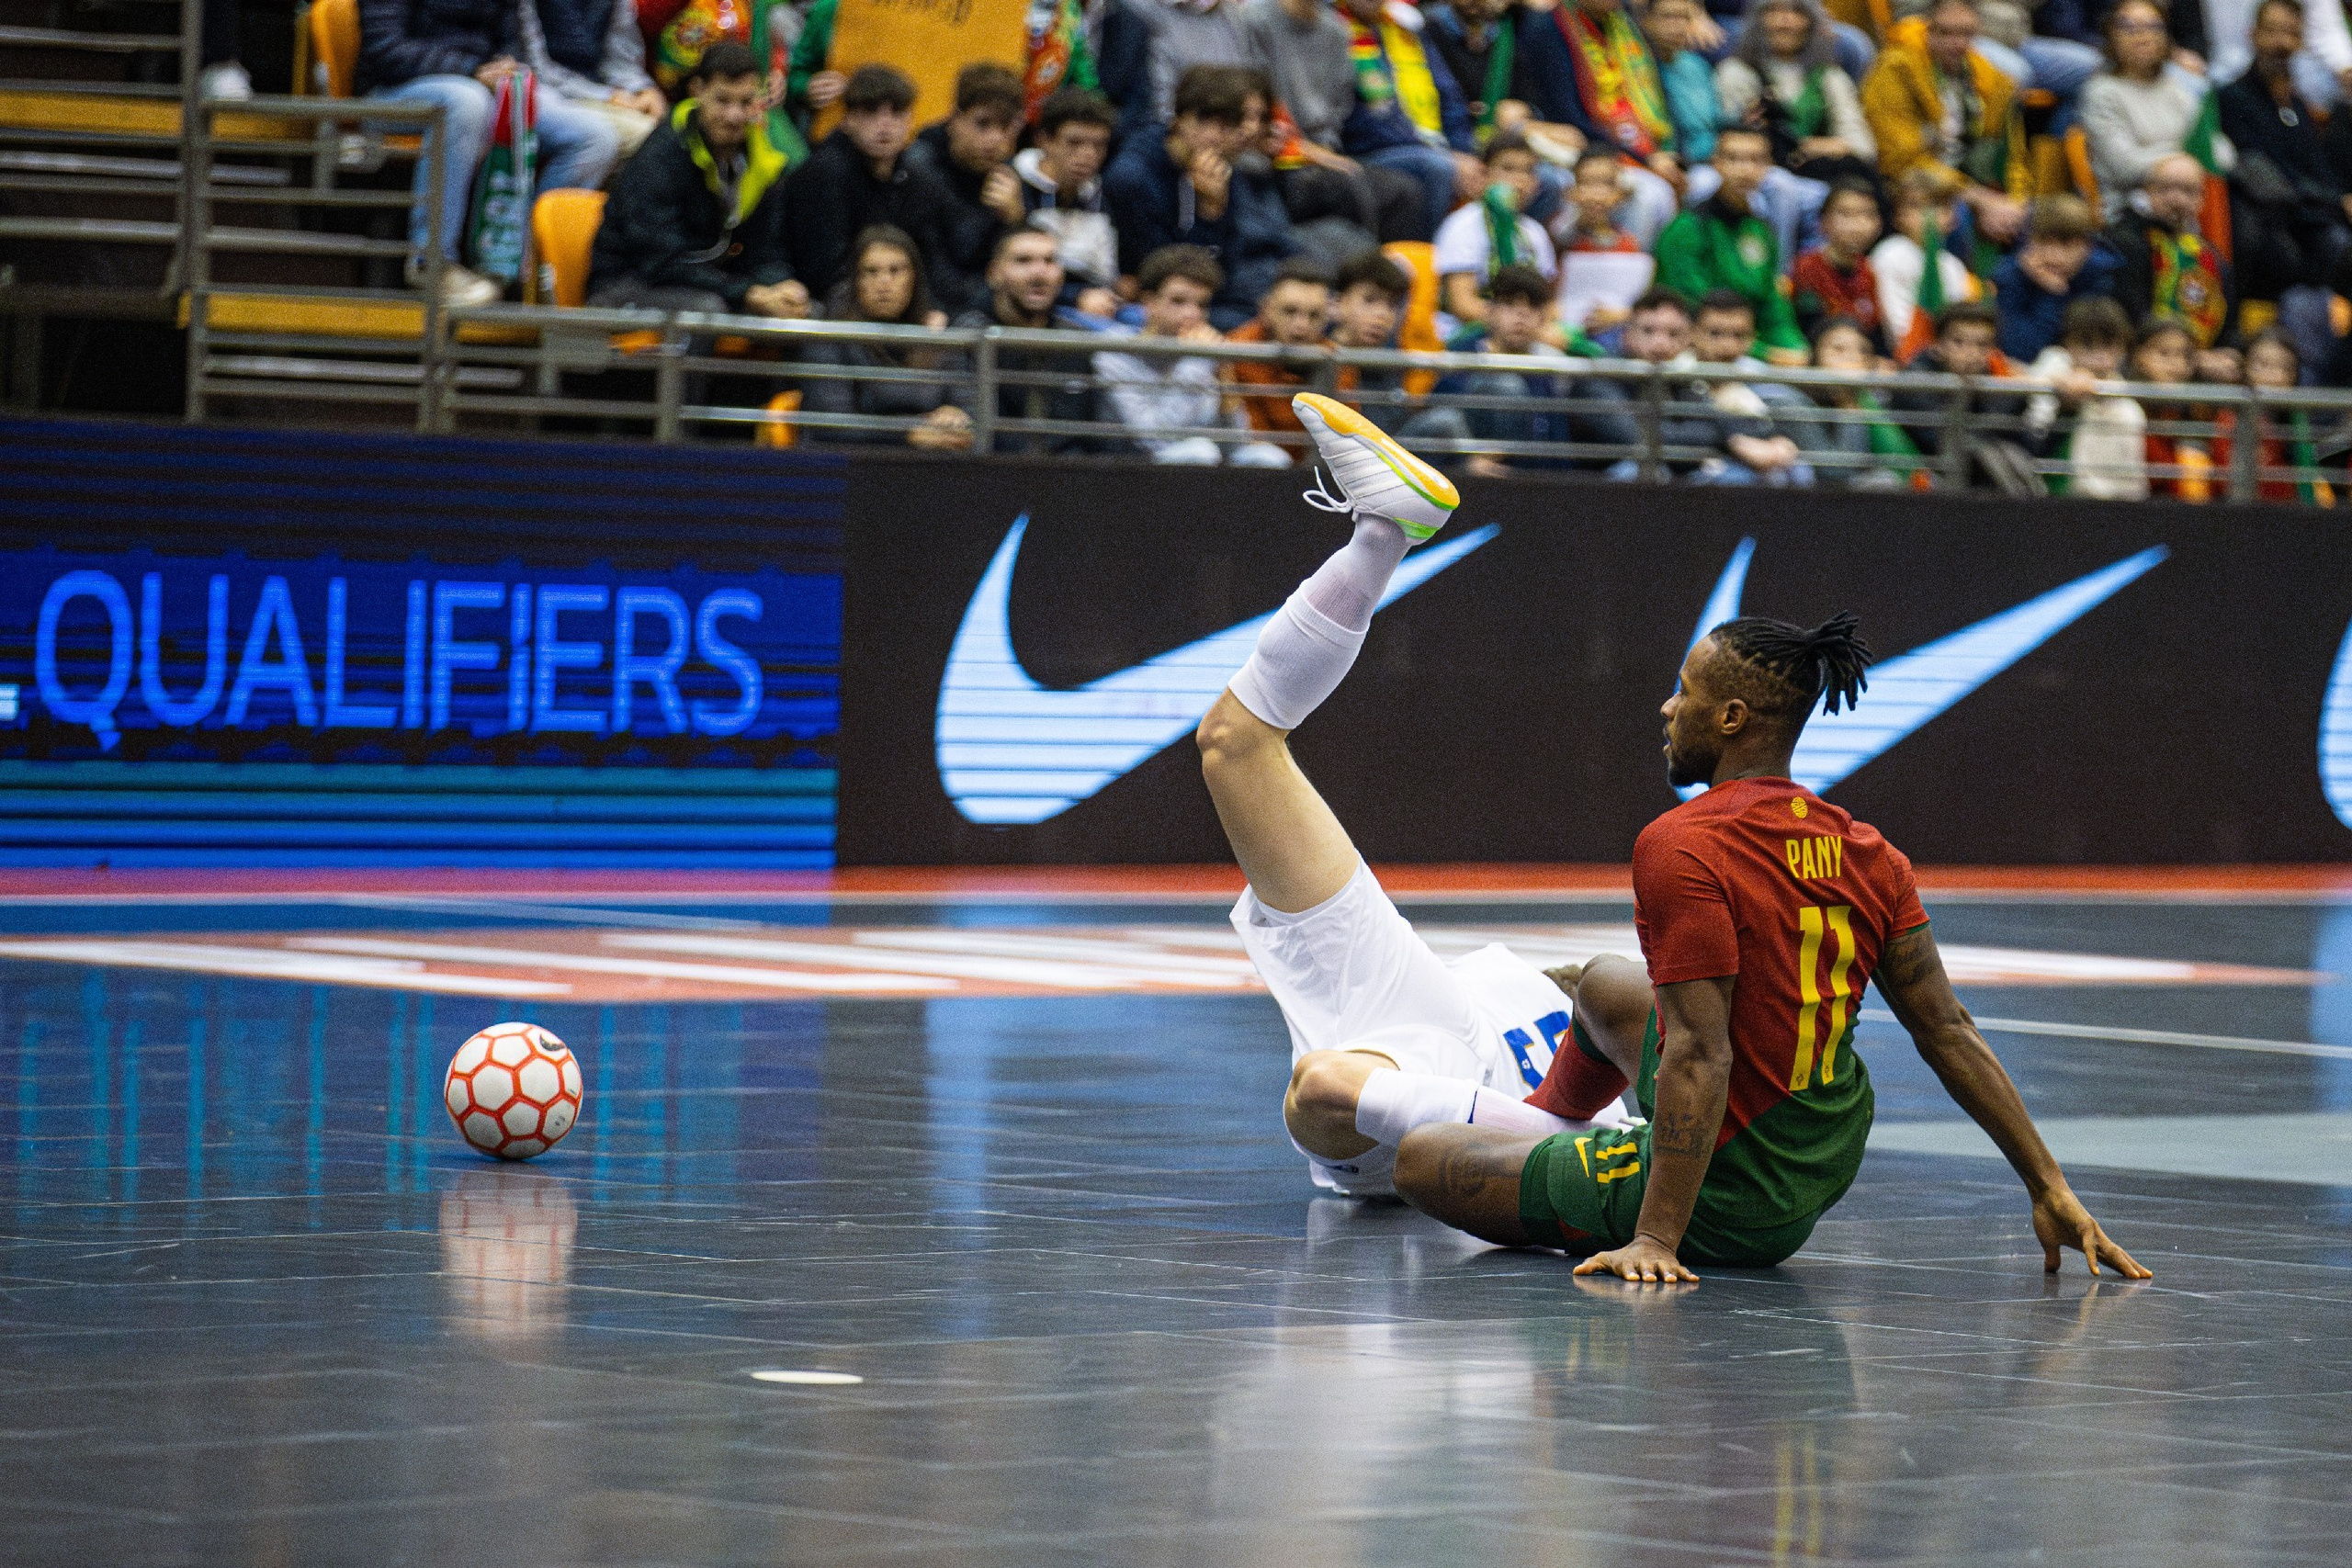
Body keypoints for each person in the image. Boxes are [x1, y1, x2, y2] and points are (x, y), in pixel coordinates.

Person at [1387, 611, 2152, 1286]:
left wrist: (1655, 1236)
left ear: (1729, 717)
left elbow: (1700, 1054)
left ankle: (1612, 1175)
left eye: (1682, 691)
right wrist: (2047, 1184)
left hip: (1735, 1187)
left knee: (1420, 1160)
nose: (1667, 707)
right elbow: (1947, 1027)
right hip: (1819, 1145)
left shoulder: (1681, 845)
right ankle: (1542, 1124)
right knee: (1602, 983)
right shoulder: (1869, 852)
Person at [1195, 394, 1634, 1202]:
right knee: (1237, 744)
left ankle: (1384, 533)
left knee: (1239, 745)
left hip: (1459, 1061)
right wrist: (1595, 1144)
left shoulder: (1614, 1070)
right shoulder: (1608, 1089)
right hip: (1452, 1061)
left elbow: (1331, 1087)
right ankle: (1384, 533)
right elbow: (1328, 1088)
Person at [357, 0, 624, 305]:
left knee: (594, 137)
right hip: (394, 92)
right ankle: (432, 263)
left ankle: (524, 270)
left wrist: (507, 67)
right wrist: (472, 71)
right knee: (467, 103)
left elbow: (512, 41)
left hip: (481, 85)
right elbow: (385, 49)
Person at [587, 41, 808, 316]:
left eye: (746, 102)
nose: (734, 116)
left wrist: (780, 286)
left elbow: (766, 251)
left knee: (805, 316)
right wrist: (746, 293)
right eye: (723, 100)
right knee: (707, 313)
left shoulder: (763, 162)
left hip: (711, 285)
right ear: (697, 92)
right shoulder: (661, 155)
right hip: (625, 285)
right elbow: (661, 262)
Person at [1105, 64, 1300, 330]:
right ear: (1182, 119)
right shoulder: (1133, 177)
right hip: (1159, 304)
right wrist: (1209, 214)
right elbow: (1164, 274)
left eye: (1232, 126)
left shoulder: (1217, 168)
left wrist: (1216, 210)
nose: (1227, 138)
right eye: (1216, 125)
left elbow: (1228, 262)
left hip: (1212, 294)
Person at [2219, 0, 2352, 370]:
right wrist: (2336, 202)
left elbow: (2318, 170)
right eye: (2273, 30)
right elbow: (2264, 177)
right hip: (2267, 225)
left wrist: (2340, 198)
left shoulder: (2296, 104)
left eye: (2292, 33)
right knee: (2338, 248)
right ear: (2254, 35)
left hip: (2311, 219)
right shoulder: (2233, 97)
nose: (2282, 42)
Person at [1242, 0, 1431, 246]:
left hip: (1324, 149)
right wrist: (1304, 149)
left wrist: (1327, 149)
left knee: (1404, 191)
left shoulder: (1336, 29)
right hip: (1274, 152)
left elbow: (1339, 107)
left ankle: (1391, 279)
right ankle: (1355, 279)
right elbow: (1254, 95)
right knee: (1344, 188)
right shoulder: (1256, 20)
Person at [782, 64, 960, 307]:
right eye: (871, 111)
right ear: (848, 120)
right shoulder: (823, 173)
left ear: (910, 120)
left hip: (898, 303)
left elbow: (932, 262)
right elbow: (822, 272)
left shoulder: (919, 180)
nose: (885, 124)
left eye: (896, 112)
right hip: (828, 304)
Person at [1096, 245, 1293, 465]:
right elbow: (1153, 440)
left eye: (1202, 304)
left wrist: (1226, 378)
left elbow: (1235, 443)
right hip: (1130, 468)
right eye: (1178, 301)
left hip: (1203, 461)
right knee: (1200, 452)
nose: (1192, 314)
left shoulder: (1205, 352)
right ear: (1149, 302)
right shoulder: (1115, 353)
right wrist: (1196, 358)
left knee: (1270, 457)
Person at [1859, 0, 2029, 247]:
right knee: (1953, 218)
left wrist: (2015, 201)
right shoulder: (1897, 69)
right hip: (1917, 186)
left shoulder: (1993, 82)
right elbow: (1901, 160)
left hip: (1978, 186)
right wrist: (1978, 199)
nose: (1956, 43)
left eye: (1965, 33)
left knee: (2033, 219)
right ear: (1927, 30)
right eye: (1945, 33)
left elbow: (2014, 156)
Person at [1515, 0, 1685, 244]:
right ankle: (1629, 270)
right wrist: (1646, 160)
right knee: (1648, 194)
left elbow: (1663, 105)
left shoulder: (1628, 28)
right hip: (1584, 149)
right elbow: (1569, 117)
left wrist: (1669, 155)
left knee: (1699, 182)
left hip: (1641, 147)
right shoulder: (1549, 29)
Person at [796, 226, 971, 450]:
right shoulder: (829, 335)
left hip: (926, 465)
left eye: (896, 270)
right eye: (871, 272)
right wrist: (909, 433)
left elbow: (969, 407)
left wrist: (955, 415)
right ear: (855, 280)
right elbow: (834, 426)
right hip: (851, 464)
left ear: (914, 278)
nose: (884, 283)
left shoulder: (936, 334)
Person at [1330, 0, 1487, 242]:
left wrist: (1463, 151)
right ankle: (1424, 262)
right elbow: (1366, 123)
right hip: (1373, 152)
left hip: (1432, 146)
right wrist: (1444, 155)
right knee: (1437, 168)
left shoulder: (1405, 24)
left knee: (1533, 180)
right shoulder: (1333, 27)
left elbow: (1449, 95)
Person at [1654, 126, 1810, 364]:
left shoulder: (1761, 230)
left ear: (1768, 166)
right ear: (1716, 164)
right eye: (1733, 158)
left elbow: (1772, 306)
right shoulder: (1686, 228)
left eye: (1755, 160)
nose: (1745, 169)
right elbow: (1689, 307)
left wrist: (1795, 348)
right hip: (1699, 353)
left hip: (1752, 351)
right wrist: (1764, 353)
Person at [952, 226, 1101, 456]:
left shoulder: (1075, 340)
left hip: (1071, 476)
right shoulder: (969, 338)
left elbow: (1106, 428)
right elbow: (973, 428)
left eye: (1050, 261)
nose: (1039, 273)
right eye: (1023, 261)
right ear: (994, 274)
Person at [2080, 0, 2233, 221]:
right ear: (2111, 35)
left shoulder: (2176, 88)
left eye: (2154, 27)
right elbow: (2125, 167)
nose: (2143, 36)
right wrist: (2184, 158)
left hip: (2187, 207)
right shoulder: (2101, 92)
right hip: (2129, 211)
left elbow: (2221, 152)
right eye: (2130, 28)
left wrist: (2174, 159)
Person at [906, 63, 1031, 318]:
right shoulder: (918, 168)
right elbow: (936, 274)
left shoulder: (1008, 173)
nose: (995, 139)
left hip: (982, 308)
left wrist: (1015, 221)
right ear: (955, 119)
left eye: (1005, 126)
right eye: (982, 124)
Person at [1432, 264, 1586, 470]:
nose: (1521, 315)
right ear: (1490, 310)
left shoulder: (1551, 367)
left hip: (1531, 483)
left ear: (1543, 318)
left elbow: (1557, 445)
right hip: (1468, 479)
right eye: (1509, 304)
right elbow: (1441, 423)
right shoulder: (1460, 357)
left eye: (1532, 306)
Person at [1717, 0, 1877, 189]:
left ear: (1812, 23)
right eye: (1774, 11)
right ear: (1757, 21)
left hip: (1819, 178)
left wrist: (1810, 146)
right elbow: (1732, 142)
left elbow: (1863, 146)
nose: (1785, 22)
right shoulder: (1737, 73)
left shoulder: (1830, 77)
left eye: (1797, 12)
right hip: (1758, 176)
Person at [1224, 257, 1355, 457]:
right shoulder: (1238, 350)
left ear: (1327, 318)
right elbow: (1250, 438)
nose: (1301, 325)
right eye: (1290, 311)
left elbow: (1342, 443)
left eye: (1314, 315)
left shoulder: (1338, 364)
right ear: (1267, 309)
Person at [2021, 295, 2148, 498]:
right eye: (2087, 345)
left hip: (2114, 505)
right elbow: (2035, 427)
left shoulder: (2129, 407)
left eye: (2109, 345)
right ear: (2068, 344)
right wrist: (2063, 390)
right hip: (2054, 497)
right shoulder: (2053, 365)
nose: (2100, 356)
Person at [2108, 153, 2236, 349]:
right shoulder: (2123, 242)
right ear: (2147, 192)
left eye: (2188, 191)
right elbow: (2128, 319)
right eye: (2165, 189)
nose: (2177, 199)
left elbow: (2228, 328)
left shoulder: (2212, 257)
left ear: (2201, 199)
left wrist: (2226, 354)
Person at [1016, 88, 1125, 316]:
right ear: (1044, 140)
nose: (1088, 155)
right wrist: (1076, 297)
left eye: (1098, 145)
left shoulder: (1106, 194)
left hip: (1102, 303)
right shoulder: (1013, 187)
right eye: (1074, 143)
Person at [1433, 133, 1558, 330]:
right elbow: (1463, 305)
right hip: (1463, 336)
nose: (1519, 180)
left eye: (1528, 171)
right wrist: (1523, 327)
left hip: (1521, 334)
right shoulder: (1462, 224)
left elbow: (1549, 304)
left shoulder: (1535, 232)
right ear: (1483, 175)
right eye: (1508, 169)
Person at [517, 0, 666, 160]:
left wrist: (643, 88)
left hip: (596, 88)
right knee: (642, 135)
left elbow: (620, 58)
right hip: (545, 90)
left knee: (664, 129)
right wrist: (607, 96)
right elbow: (536, 67)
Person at [1992, 194, 2121, 362]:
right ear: (2029, 241)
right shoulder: (2009, 277)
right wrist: (2051, 293)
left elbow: (2099, 348)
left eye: (2067, 245)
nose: (2055, 256)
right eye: (2045, 242)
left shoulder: (2106, 276)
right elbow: (2020, 351)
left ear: (2088, 246)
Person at [1798, 316, 1925, 486]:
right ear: (1815, 357)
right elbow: (1835, 473)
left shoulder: (1874, 398)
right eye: (1839, 349)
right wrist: (1848, 403)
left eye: (1862, 351)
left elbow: (1904, 463)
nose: (1852, 358)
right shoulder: (1799, 403)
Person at [2215, 328, 2337, 502]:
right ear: (2245, 370)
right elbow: (2230, 484)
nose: (2275, 376)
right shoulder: (2231, 419)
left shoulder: (2297, 420)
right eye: (2262, 365)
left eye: (2285, 367)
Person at [1871, 164, 1980, 347]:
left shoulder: (1954, 266)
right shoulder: (1890, 254)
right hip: (1911, 355)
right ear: (1898, 215)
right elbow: (1896, 324)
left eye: (1938, 206)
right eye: (1917, 206)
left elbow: (1960, 322)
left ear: (1952, 217)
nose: (1929, 215)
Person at [1791, 178, 1885, 347]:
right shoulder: (1805, 269)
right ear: (1823, 223)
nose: (1858, 225)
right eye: (1846, 214)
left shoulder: (1872, 272)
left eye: (1868, 214)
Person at [2132, 315, 2214, 497]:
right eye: (2164, 353)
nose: (2177, 364)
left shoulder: (2196, 409)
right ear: (2139, 356)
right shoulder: (2126, 406)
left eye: (2185, 355)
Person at [1648, 0, 1724, 164]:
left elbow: (1714, 121)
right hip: (1670, 159)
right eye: (1668, 16)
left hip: (1712, 158)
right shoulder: (1639, 66)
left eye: (1685, 17)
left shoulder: (1696, 65)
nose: (1678, 25)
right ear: (1647, 21)